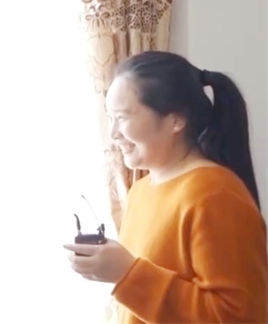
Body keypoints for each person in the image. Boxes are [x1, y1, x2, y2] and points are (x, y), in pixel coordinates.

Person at [64, 50, 267, 323]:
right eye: (110, 118)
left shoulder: (216, 193)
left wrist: (126, 274)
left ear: (176, 120)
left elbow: (238, 316)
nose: (113, 134)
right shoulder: (140, 191)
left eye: (122, 117)